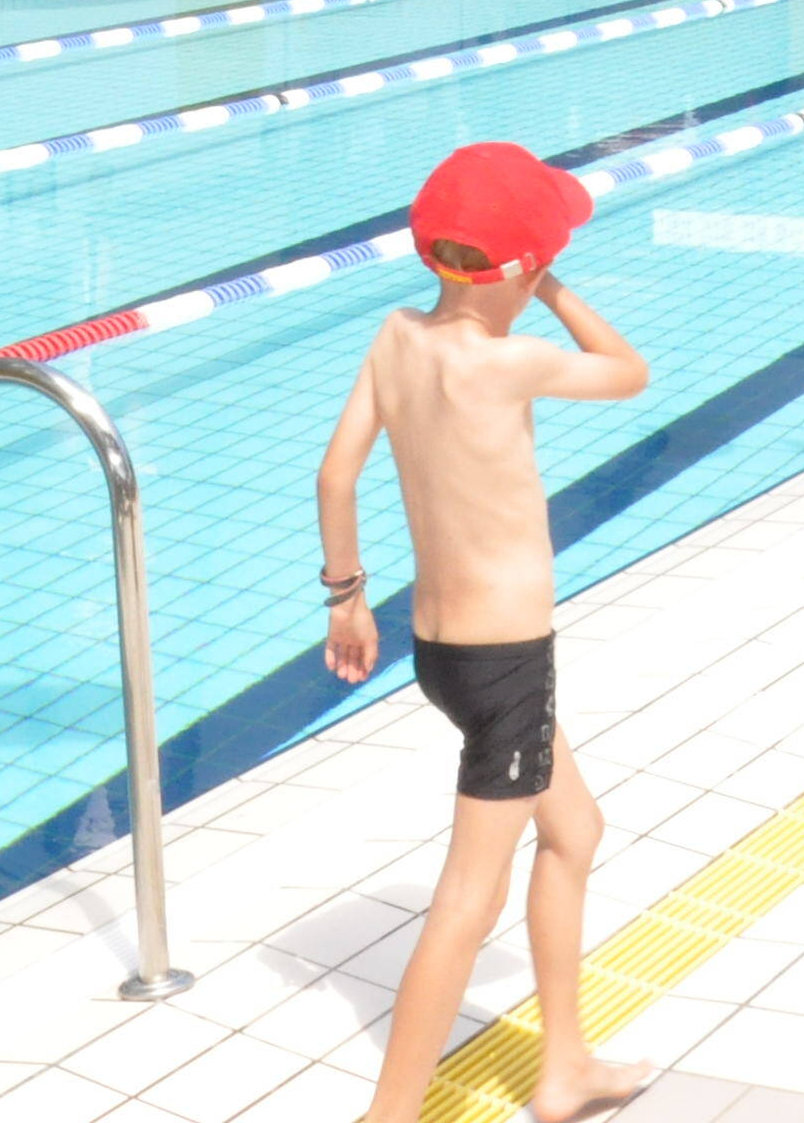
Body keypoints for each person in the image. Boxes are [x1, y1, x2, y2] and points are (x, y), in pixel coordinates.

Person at [316, 143, 655, 1123]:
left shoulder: (394, 337)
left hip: (440, 650)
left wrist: (344, 597)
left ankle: (563, 1066)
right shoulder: (512, 361)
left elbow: (335, 476)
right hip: (507, 662)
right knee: (468, 901)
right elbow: (627, 371)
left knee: (576, 830)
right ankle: (387, 1117)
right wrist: (555, 293)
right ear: (522, 265)